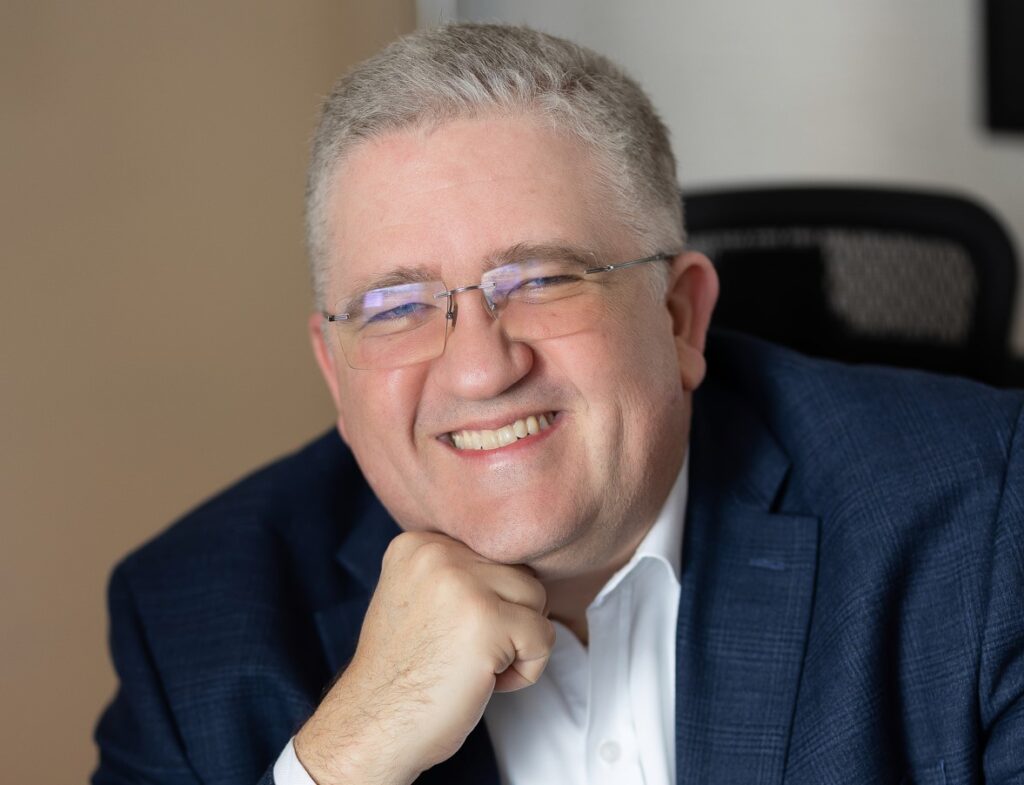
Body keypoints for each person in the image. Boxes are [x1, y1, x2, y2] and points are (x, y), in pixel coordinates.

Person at [93, 23, 1024, 785]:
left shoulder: (981, 514)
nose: (479, 369)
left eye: (539, 280)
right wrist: (343, 761)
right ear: (336, 373)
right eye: (396, 308)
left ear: (680, 316)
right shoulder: (194, 619)